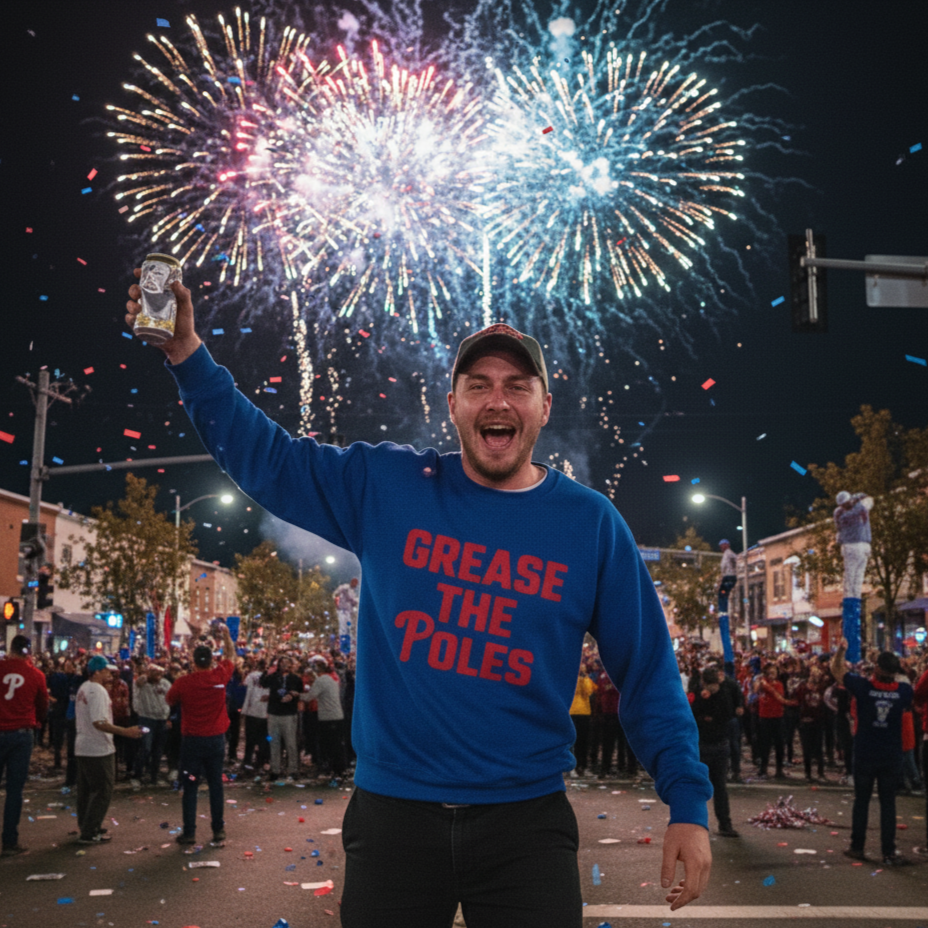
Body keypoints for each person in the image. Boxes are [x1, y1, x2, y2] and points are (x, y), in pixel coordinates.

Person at [126, 275, 713, 924]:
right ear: (452, 405)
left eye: (517, 386)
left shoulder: (592, 524)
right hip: (393, 822)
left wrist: (687, 803)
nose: (498, 400)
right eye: (478, 386)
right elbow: (269, 460)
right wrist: (187, 354)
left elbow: (648, 674)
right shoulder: (388, 485)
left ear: (545, 407)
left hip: (527, 825)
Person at [831, 638, 913, 866]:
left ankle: (857, 846)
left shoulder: (863, 687)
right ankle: (888, 851)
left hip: (865, 753)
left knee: (862, 801)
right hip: (891, 755)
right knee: (888, 804)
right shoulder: (904, 691)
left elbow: (837, 671)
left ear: (876, 668)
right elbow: (908, 688)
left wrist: (841, 651)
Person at [166, 624, 235, 845]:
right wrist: (227, 636)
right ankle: (218, 830)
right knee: (216, 785)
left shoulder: (183, 683)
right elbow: (231, 656)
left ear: (193, 661)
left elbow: (170, 700)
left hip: (192, 742)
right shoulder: (219, 676)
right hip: (215, 740)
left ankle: (189, 832)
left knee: (190, 787)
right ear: (211, 660)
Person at [75, 655, 142, 845]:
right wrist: (125, 731)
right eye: (106, 670)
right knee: (103, 790)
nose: (110, 674)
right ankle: (90, 832)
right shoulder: (97, 691)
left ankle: (88, 825)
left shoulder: (84, 687)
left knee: (87, 791)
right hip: (98, 748)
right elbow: (99, 722)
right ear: (97, 672)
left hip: (84, 746)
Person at [0, 635, 49, 856]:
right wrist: (37, 722)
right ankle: (9, 841)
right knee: (14, 790)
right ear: (28, 651)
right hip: (21, 733)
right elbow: (43, 706)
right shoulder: (36, 675)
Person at [689, 667, 738, 837]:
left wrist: (711, 716)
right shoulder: (696, 693)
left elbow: (728, 714)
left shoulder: (724, 693)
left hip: (719, 744)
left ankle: (725, 823)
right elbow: (693, 715)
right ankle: (695, 824)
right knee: (698, 786)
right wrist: (704, 711)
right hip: (702, 745)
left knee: (720, 786)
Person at [833, 491, 873, 663]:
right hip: (855, 545)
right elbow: (866, 502)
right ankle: (852, 599)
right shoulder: (850, 512)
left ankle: (854, 598)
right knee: (852, 583)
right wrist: (857, 498)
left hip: (859, 545)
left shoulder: (842, 512)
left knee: (855, 582)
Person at [300, 657, 347, 779]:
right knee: (337, 744)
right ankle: (340, 769)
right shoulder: (332, 679)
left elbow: (309, 697)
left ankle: (331, 769)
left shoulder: (321, 681)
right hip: (337, 715)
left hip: (327, 717)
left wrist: (296, 695)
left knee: (328, 744)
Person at [260, 655, 304, 780]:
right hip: (274, 713)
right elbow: (263, 683)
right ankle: (275, 770)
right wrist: (266, 670)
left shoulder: (295, 679)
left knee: (291, 743)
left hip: (289, 714)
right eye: (282, 662)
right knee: (274, 742)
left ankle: (293, 770)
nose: (285, 665)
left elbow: (300, 692)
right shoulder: (273, 677)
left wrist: (292, 695)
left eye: (287, 663)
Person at [132, 663, 172, 787]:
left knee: (158, 750)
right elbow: (136, 690)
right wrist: (139, 711)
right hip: (146, 719)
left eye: (160, 674)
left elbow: (170, 699)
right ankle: (137, 775)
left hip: (161, 720)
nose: (158, 676)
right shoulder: (142, 683)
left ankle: (154, 777)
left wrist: (168, 717)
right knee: (146, 747)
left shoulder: (165, 684)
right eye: (155, 673)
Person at [717, 540, 738, 675]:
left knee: (722, 593)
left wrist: (734, 569)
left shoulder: (729, 554)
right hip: (727, 577)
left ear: (727, 545)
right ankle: (722, 607)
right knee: (721, 592)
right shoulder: (725, 555)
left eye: (723, 545)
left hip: (729, 577)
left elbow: (736, 559)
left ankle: (723, 610)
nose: (721, 548)